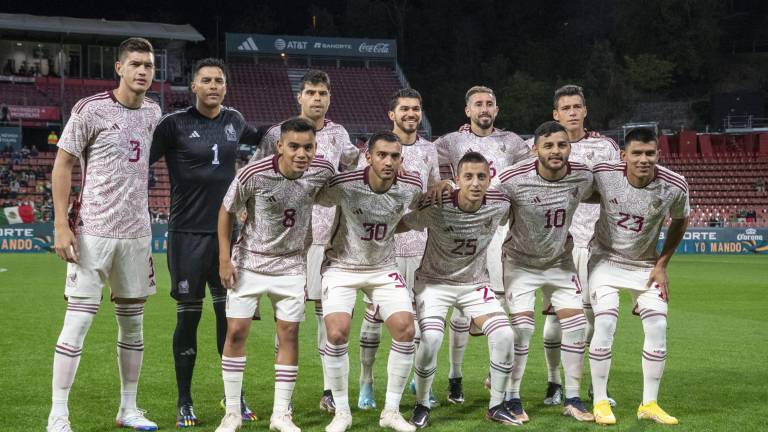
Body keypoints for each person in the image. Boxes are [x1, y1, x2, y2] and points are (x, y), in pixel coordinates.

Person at [47, 37, 162, 432]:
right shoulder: (90, 109)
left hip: (136, 236)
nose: (143, 71)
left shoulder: (153, 111)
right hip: (93, 232)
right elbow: (62, 165)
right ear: (119, 68)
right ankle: (58, 414)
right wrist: (61, 225)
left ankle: (128, 409)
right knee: (77, 323)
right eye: (135, 64)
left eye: (148, 65)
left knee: (133, 324)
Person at [149, 57, 263, 427]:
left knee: (230, 321)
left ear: (225, 88)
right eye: (206, 80)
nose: (213, 86)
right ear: (193, 86)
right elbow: (139, 164)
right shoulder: (173, 124)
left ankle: (235, 397)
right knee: (189, 319)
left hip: (227, 236)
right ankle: (185, 401)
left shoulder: (234, 120)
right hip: (186, 236)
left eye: (219, 81)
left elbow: (266, 136)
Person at [213, 117, 336, 432]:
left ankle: (281, 415)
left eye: (307, 147)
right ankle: (231, 413)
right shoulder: (254, 173)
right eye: (293, 146)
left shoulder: (322, 172)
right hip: (250, 262)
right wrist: (224, 259)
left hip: (292, 264)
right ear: (280, 146)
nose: (301, 153)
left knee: (289, 334)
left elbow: (351, 183)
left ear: (315, 148)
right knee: (237, 332)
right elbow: (226, 211)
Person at [250, 70, 359, 413]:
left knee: (328, 315)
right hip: (292, 241)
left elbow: (354, 168)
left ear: (329, 97)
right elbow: (254, 176)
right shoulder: (276, 134)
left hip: (332, 239)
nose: (316, 98)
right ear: (299, 96)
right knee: (289, 319)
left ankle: (329, 389)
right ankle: (287, 396)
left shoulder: (340, 135)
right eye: (310, 92)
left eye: (322, 93)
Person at [403, 152, 520, 427]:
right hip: (434, 282)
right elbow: (403, 221)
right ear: (457, 180)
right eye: (468, 176)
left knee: (504, 334)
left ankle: (497, 405)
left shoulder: (500, 204)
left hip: (474, 284)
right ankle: (421, 405)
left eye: (482, 176)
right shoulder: (438, 205)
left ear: (491, 179)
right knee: (431, 339)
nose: (476, 183)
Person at [317, 131, 422, 432]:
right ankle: (342, 412)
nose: (389, 161)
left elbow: (423, 205)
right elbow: (311, 194)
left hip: (382, 266)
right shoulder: (345, 184)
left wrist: (442, 185)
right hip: (342, 266)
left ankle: (390, 411)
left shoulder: (410, 185)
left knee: (405, 329)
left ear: (401, 159)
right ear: (368, 156)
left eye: (395, 156)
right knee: (336, 333)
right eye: (382, 155)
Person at [432, 85, 530, 403]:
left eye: (489, 104)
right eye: (478, 104)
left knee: (500, 305)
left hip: (501, 229)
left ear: (496, 110)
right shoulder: (451, 141)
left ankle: (494, 373)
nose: (484, 108)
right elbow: (424, 159)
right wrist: (444, 182)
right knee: (461, 312)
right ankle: (455, 377)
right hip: (465, 228)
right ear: (468, 110)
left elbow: (531, 167)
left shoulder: (512, 142)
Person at [588, 128, 689, 425]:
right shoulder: (605, 173)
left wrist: (662, 264)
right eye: (637, 153)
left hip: (645, 265)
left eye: (650, 153)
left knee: (658, 323)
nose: (644, 159)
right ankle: (600, 401)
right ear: (624, 156)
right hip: (605, 259)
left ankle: (649, 403)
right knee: (606, 319)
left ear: (658, 154)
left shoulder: (674, 185)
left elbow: (681, 221)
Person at [496, 121, 595, 423]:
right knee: (523, 329)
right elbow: (483, 204)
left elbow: (605, 193)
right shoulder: (511, 178)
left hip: (559, 263)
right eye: (548, 145)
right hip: (520, 263)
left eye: (561, 145)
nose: (555, 151)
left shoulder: (582, 176)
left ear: (569, 148)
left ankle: (573, 398)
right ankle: (511, 397)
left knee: (577, 326)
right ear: (535, 149)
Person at [535, 85, 621, 406]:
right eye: (565, 108)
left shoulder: (605, 147)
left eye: (576, 107)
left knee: (599, 317)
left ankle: (596, 386)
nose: (572, 112)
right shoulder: (546, 147)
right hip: (558, 246)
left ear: (585, 111)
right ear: (555, 115)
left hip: (597, 245)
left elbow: (617, 191)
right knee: (557, 317)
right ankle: (554, 382)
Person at [356, 88, 441, 410]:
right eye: (404, 109)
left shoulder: (430, 150)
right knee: (374, 317)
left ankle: (420, 381)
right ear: (392, 114)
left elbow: (432, 191)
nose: (411, 114)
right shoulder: (377, 149)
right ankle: (367, 381)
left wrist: (442, 186)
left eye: (416, 109)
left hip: (421, 246)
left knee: (422, 318)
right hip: (382, 247)